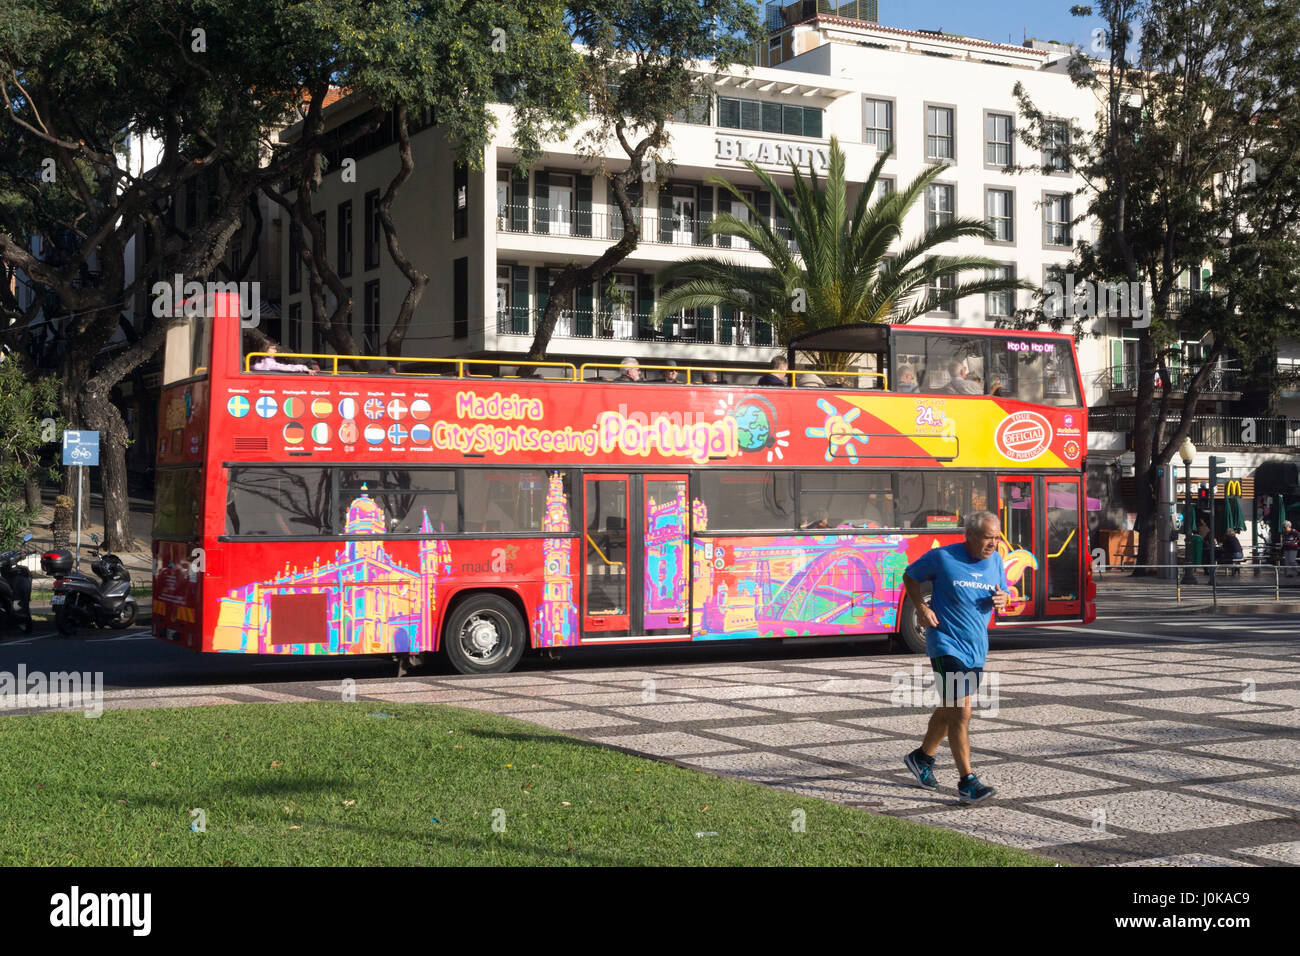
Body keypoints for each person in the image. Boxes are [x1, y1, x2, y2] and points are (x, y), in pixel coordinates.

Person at [901, 511, 1010, 804]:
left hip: (976, 648)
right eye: (988, 537)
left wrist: (1003, 599)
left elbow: (1005, 592)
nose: (994, 543)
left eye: (997, 537)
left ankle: (921, 757)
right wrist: (921, 609)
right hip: (945, 644)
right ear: (970, 535)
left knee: (950, 709)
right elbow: (909, 575)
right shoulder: (943, 557)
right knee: (962, 712)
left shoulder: (996, 560)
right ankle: (967, 783)